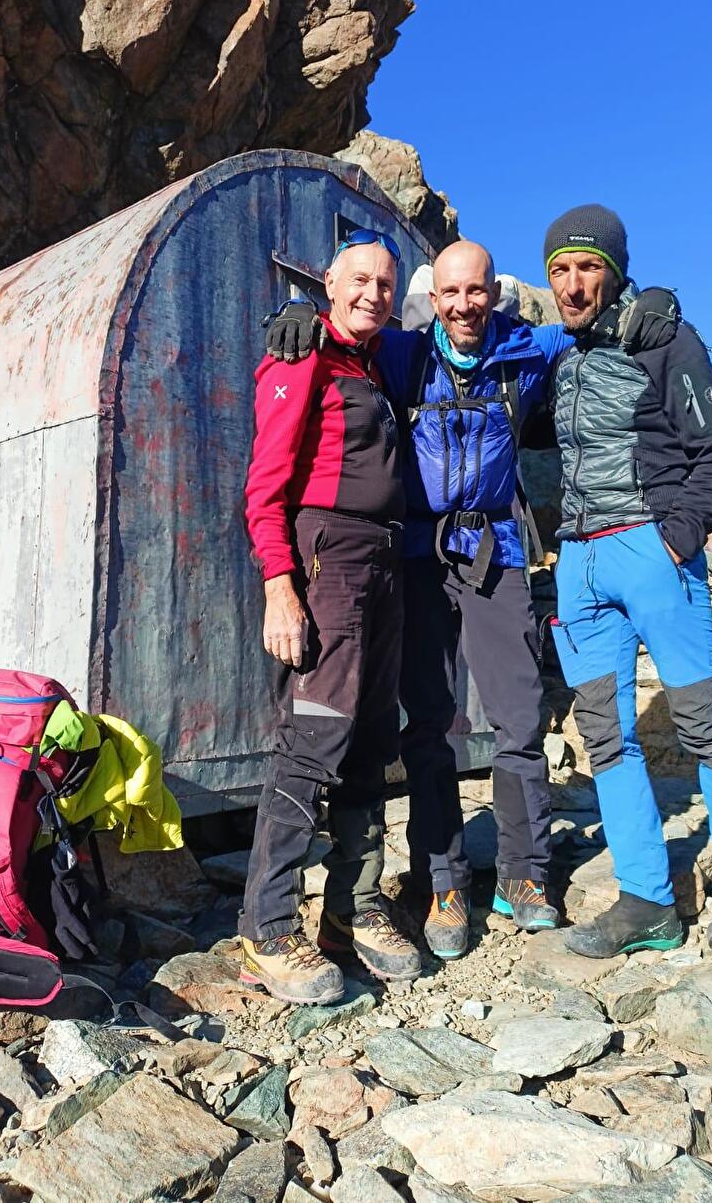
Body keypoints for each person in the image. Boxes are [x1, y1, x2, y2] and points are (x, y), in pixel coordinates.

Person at [266, 239, 572, 960]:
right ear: (433, 300)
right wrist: (296, 314)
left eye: (478, 292)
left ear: (495, 293)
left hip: (494, 552)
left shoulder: (528, 350)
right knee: (430, 722)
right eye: (450, 293)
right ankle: (442, 883)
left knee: (519, 715)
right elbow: (349, 332)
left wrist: (650, 311)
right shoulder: (406, 354)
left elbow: (591, 324)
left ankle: (525, 876)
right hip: (419, 556)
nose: (465, 305)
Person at [539, 204, 712, 956]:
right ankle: (646, 903)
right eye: (559, 271)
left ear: (613, 268)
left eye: (588, 267)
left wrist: (673, 541)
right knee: (604, 735)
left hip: (650, 552)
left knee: (703, 722)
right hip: (578, 563)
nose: (573, 285)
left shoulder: (667, 338)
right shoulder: (557, 356)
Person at [239, 228, 421, 1005]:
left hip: (381, 560)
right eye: (358, 279)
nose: (373, 293)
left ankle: (350, 907)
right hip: (328, 557)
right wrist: (281, 586)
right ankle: (266, 927)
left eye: (385, 282)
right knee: (314, 736)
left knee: (374, 738)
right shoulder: (301, 354)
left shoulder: (373, 363)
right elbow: (264, 483)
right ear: (328, 283)